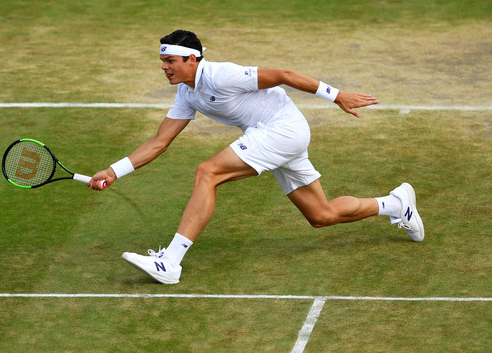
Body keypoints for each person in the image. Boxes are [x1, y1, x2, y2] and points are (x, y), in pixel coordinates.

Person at [88, 30, 424, 285]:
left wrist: (337, 96)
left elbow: (284, 74)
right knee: (322, 215)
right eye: (162, 62)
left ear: (192, 59)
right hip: (274, 135)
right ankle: (396, 204)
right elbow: (160, 141)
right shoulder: (186, 93)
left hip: (282, 129)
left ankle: (170, 262)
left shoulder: (222, 74)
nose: (164, 67)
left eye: (170, 61)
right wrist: (114, 171)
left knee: (208, 172)